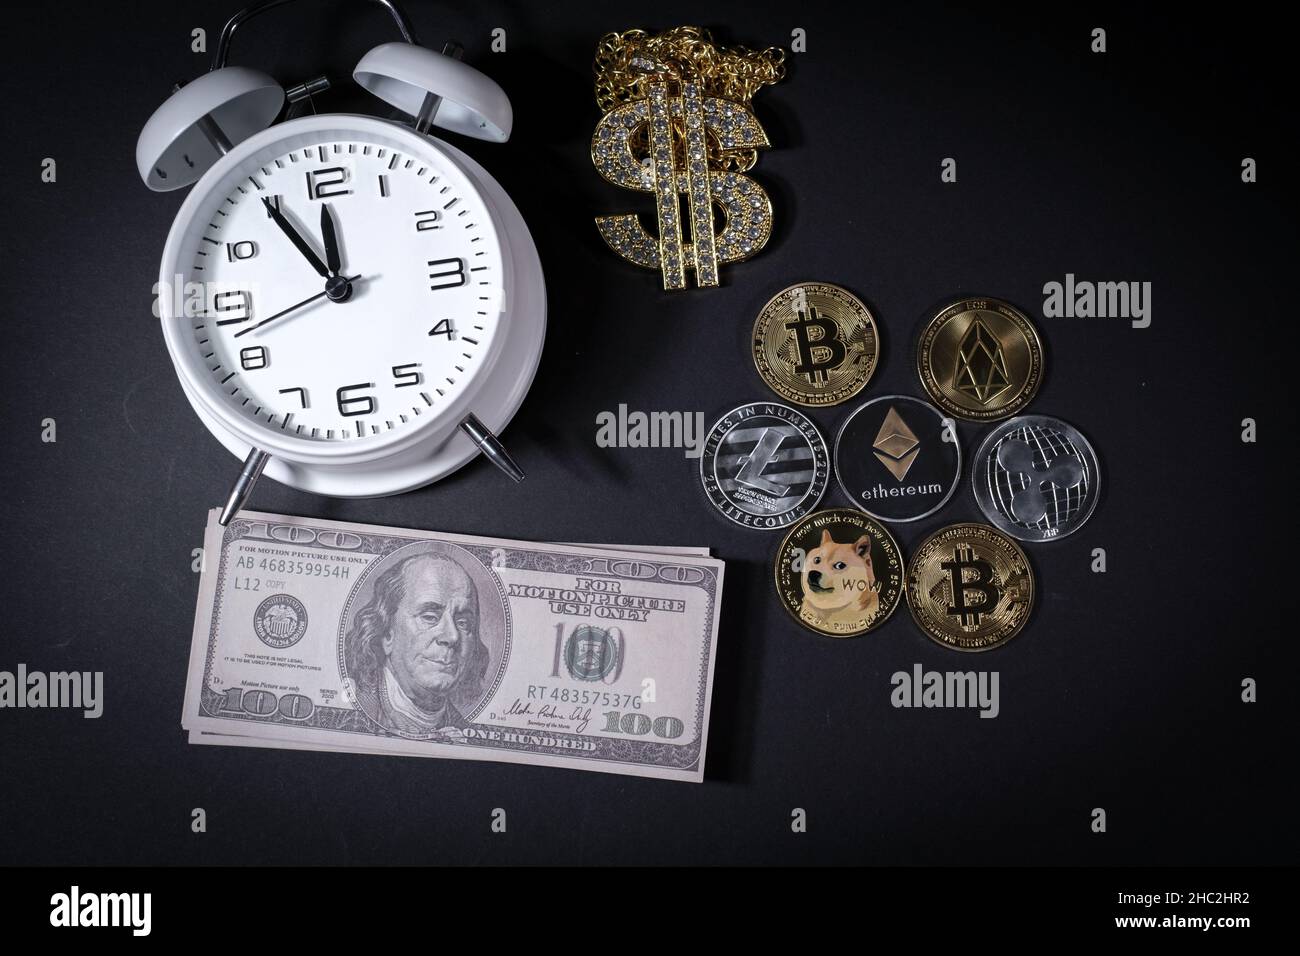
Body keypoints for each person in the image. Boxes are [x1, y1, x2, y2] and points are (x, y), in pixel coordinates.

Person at [347, 550, 489, 737]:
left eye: (463, 623)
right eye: (429, 617)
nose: (453, 636)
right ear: (387, 632)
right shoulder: (355, 709)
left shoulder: (466, 733)